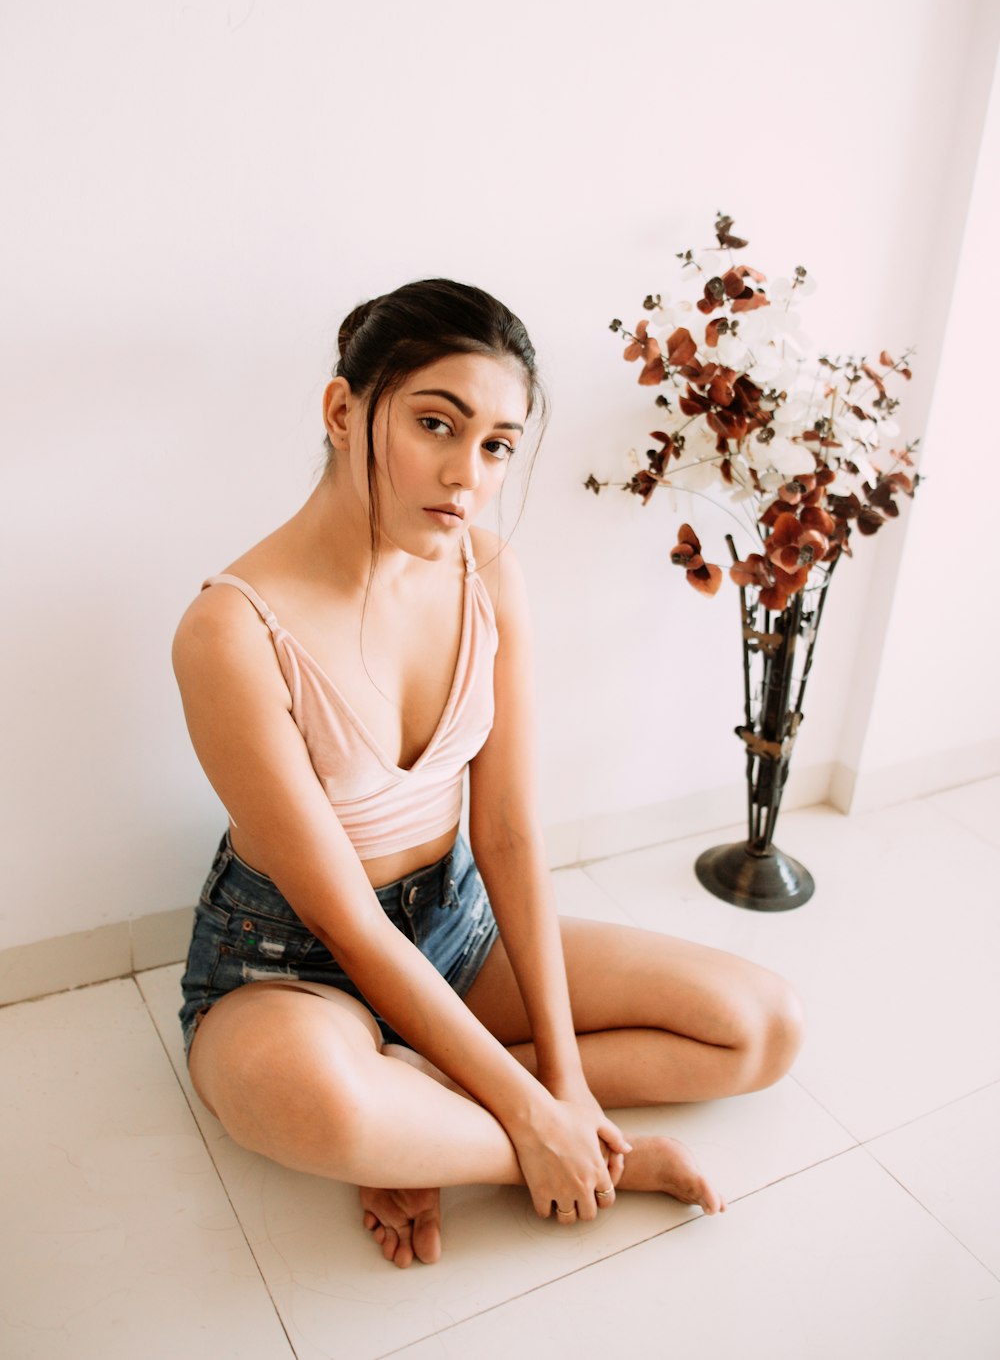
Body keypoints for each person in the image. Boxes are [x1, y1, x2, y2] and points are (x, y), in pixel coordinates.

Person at [174, 277, 804, 1269]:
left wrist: (567, 1082)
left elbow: (505, 831)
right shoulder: (229, 631)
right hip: (288, 966)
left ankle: (430, 1111)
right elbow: (344, 920)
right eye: (437, 423)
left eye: (498, 444)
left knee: (760, 1029)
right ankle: (550, 1150)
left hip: (452, 928)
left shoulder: (489, 573)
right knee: (319, 1104)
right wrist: (534, 1120)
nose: (466, 474)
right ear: (344, 411)